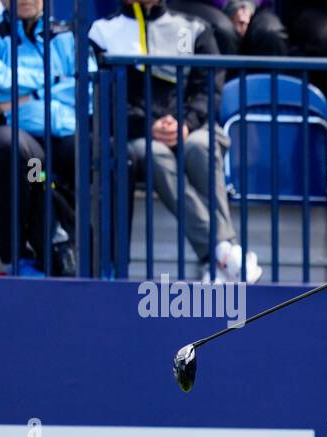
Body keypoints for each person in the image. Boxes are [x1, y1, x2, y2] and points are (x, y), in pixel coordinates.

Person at [89, 0, 262, 281]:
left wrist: (186, 123)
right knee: (154, 153)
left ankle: (216, 261)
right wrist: (148, 126)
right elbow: (104, 97)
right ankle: (223, 251)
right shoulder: (101, 32)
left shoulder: (194, 28)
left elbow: (208, 88)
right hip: (138, 135)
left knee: (201, 147)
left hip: (190, 129)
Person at [0, 0, 94, 275]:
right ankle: (17, 258)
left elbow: (87, 89)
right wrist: (57, 81)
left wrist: (27, 95)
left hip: (62, 129)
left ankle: (87, 258)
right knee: (24, 157)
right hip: (10, 131)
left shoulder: (68, 34)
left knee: (102, 154)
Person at [165, 0, 289, 56]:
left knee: (271, 34)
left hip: (252, 6)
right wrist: (232, 7)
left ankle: (268, 103)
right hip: (200, 3)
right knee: (224, 32)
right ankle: (223, 101)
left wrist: (248, 6)